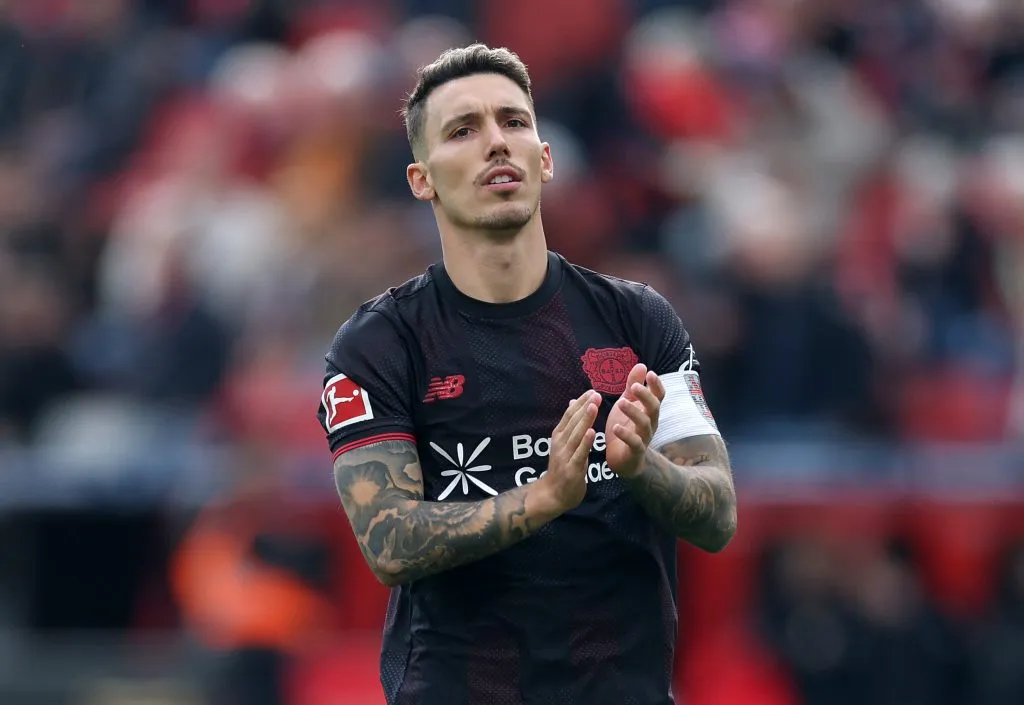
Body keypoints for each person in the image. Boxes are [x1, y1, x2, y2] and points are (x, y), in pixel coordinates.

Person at [316, 43, 738, 705]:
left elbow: (717, 512)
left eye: (513, 122)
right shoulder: (380, 344)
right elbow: (389, 541)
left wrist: (640, 467)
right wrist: (543, 498)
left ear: (544, 159)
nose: (495, 143)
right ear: (421, 179)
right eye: (463, 130)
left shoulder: (637, 319)